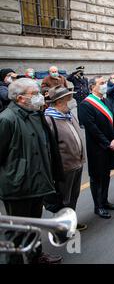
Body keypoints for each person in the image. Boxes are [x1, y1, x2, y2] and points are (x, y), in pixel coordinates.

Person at [0, 78, 62, 264]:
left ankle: (36, 256)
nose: (39, 97)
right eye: (34, 94)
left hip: (38, 182)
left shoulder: (35, 114)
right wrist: (17, 173)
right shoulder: (6, 119)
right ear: (20, 98)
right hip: (17, 187)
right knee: (18, 231)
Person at [44, 86, 86, 231]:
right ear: (60, 101)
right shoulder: (49, 119)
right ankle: (60, 227)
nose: (72, 100)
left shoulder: (68, 114)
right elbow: (48, 148)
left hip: (77, 163)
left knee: (73, 196)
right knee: (63, 199)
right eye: (69, 98)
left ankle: (70, 222)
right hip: (64, 168)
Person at [78, 76, 114, 219]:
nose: (104, 85)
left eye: (104, 83)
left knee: (106, 175)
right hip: (98, 148)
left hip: (111, 144)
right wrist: (107, 142)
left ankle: (105, 200)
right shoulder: (86, 104)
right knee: (97, 177)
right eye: (101, 83)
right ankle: (98, 206)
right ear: (92, 87)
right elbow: (92, 129)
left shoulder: (106, 100)